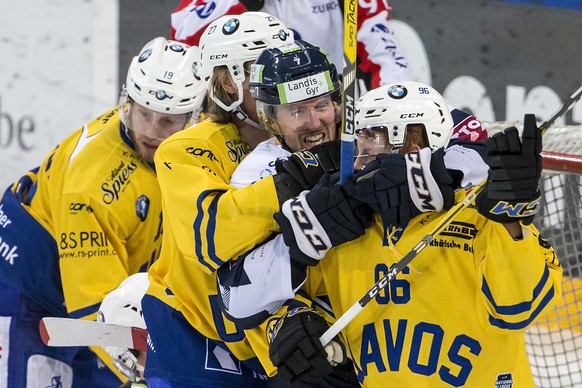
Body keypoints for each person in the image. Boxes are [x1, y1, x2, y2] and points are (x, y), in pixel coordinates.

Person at [262, 85, 563, 385]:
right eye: (357, 145)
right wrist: (290, 320)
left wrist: (512, 224)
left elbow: (516, 311)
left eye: (371, 143)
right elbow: (277, 294)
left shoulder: (480, 217)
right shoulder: (348, 225)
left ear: (414, 146)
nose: (356, 162)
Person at [0, 37, 206, 387]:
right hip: (32, 296)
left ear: (195, 117)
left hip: (94, 292)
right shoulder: (93, 186)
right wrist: (140, 366)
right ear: (128, 101)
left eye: (168, 120)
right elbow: (93, 300)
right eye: (144, 114)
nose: (152, 132)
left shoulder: (185, 149)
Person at [141, 11, 323, 387]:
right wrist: (293, 180)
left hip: (266, 334)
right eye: (261, 67)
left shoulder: (305, 135)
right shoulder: (186, 148)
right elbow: (212, 236)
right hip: (192, 333)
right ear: (226, 85)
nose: (281, 75)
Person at [170, 0, 412, 96]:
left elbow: (385, 55)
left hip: (324, 111)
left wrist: (393, 103)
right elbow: (182, 36)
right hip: (248, 117)